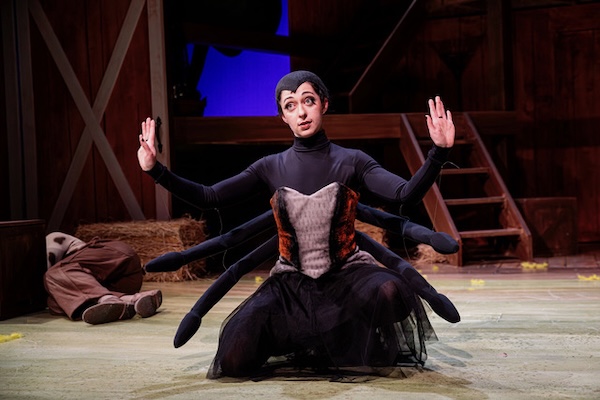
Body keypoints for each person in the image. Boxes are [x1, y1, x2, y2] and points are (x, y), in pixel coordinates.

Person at [137, 70, 456, 378]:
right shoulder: (269, 167)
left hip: (349, 274)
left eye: (308, 101)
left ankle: (351, 333)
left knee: (389, 292)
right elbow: (209, 196)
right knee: (235, 357)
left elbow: (404, 194)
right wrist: (155, 170)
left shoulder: (353, 160)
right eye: (290, 105)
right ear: (283, 116)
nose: (301, 112)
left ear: (324, 104)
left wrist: (438, 153)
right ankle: (314, 340)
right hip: (291, 283)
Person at [44, 232, 163, 325]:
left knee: (54, 273)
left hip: (113, 256)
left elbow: (52, 269)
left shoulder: (49, 240)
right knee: (56, 303)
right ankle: (132, 300)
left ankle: (108, 299)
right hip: (122, 281)